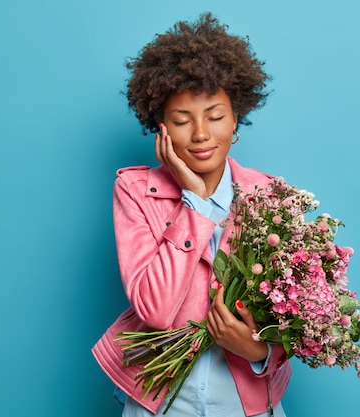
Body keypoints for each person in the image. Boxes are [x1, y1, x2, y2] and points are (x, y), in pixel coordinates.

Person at [92, 13, 292, 417]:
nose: (201, 134)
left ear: (237, 118)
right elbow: (155, 310)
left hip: (247, 403)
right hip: (160, 403)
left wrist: (256, 350)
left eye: (216, 116)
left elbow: (292, 315)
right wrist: (196, 203)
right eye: (182, 121)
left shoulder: (270, 196)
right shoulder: (135, 192)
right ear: (161, 128)